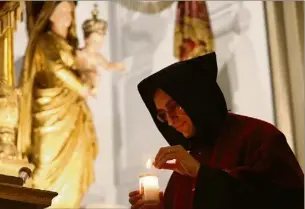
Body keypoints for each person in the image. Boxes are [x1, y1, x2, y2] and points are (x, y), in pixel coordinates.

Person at [128, 52, 304, 209]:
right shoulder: (190, 158)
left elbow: (284, 200)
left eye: (173, 106)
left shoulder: (258, 137)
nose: (170, 120)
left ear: (196, 98)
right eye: (162, 114)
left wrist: (200, 173)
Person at [17, 1, 98, 208]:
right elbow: (57, 68)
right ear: (49, 15)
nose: (68, 16)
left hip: (73, 111)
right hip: (50, 112)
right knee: (45, 162)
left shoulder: (70, 46)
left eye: (70, 11)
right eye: (62, 11)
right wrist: (82, 87)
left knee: (77, 162)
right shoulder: (45, 41)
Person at [76, 3, 125, 95]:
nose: (97, 46)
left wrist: (119, 66)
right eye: (94, 42)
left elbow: (107, 66)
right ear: (86, 39)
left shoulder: (97, 57)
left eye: (100, 43)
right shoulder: (79, 54)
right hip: (79, 88)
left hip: (92, 91)